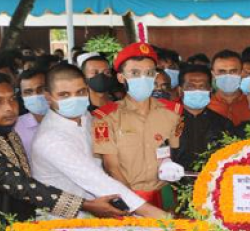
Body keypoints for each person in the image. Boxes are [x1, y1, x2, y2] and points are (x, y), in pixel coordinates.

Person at [0, 72, 125, 229]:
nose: (9, 107)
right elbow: (22, 187)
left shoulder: (7, 132)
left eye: (12, 99)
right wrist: (87, 205)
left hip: (19, 228)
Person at [31, 64, 166, 219]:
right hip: (64, 226)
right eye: (64, 95)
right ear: (48, 97)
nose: (74, 99)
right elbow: (98, 181)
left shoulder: (85, 117)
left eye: (80, 92)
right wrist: (156, 215)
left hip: (99, 214)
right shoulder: (50, 139)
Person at [92, 43, 185, 210]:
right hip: (127, 196)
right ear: (121, 78)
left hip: (164, 194)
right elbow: (111, 167)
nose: (143, 78)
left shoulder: (173, 112)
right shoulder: (106, 117)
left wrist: (169, 163)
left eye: (149, 73)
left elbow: (173, 150)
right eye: (135, 73)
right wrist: (135, 203)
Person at [171, 64, 234, 171]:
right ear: (180, 91)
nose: (197, 90)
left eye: (202, 87)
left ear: (210, 90)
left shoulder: (223, 124)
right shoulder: (166, 121)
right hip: (173, 183)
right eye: (191, 86)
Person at [207, 49, 250, 126]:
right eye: (222, 72)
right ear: (213, 74)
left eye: (233, 71)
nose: (227, 76)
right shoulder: (205, 105)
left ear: (241, 73)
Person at [14, 68, 48, 156]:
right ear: (21, 96)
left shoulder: (72, 120)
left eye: (41, 89)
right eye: (28, 92)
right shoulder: (15, 128)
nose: (35, 95)